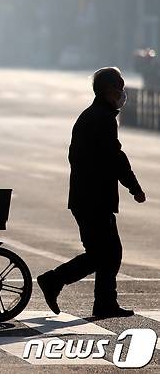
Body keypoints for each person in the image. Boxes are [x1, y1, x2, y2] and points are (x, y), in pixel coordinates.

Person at [37, 67, 146, 319]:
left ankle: (101, 301)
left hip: (87, 197)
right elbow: (116, 158)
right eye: (120, 86)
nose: (123, 92)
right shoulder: (101, 118)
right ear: (108, 90)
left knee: (105, 253)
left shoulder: (94, 115)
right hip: (94, 199)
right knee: (104, 253)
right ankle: (55, 280)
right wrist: (134, 187)